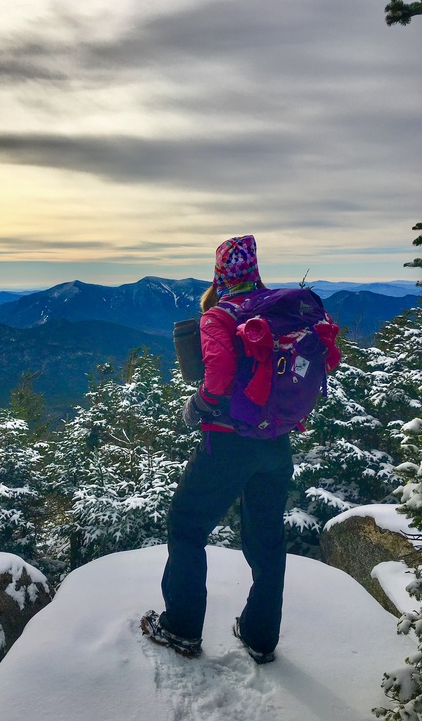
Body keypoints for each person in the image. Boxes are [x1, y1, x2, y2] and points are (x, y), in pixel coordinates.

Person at [141, 235, 295, 663]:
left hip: (227, 443)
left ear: (221, 272)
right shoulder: (277, 310)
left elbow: (221, 374)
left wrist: (197, 405)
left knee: (186, 526)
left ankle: (182, 628)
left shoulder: (220, 315)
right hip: (276, 444)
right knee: (266, 538)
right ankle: (261, 638)